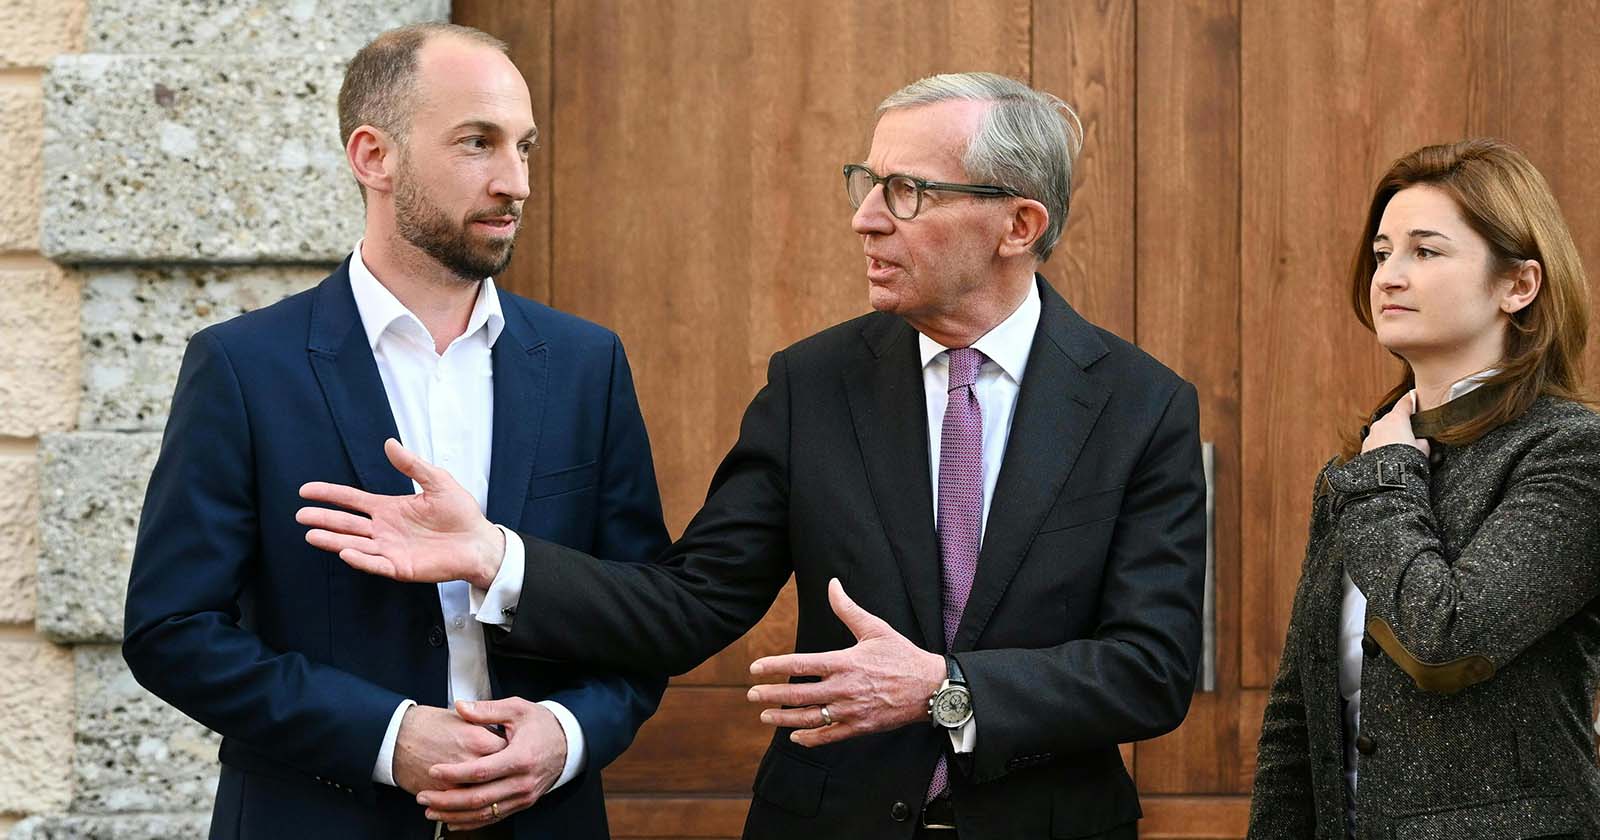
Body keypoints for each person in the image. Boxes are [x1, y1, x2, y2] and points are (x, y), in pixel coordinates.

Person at [300, 72, 1207, 839]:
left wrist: (943, 688)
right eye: (864, 180)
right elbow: (693, 604)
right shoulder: (814, 384)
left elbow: (1150, 669)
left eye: (906, 191)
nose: (864, 218)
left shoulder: (1139, 405)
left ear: (1018, 225)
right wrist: (496, 555)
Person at [122, 23, 669, 839]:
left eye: (525, 147)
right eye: (477, 143)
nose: (515, 181)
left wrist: (564, 735)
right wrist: (387, 737)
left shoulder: (588, 364)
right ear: (373, 156)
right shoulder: (242, 366)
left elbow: (644, 611)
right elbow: (173, 631)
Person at [1247, 139, 1600, 840]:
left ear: (1519, 285)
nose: (1389, 277)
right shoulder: (1363, 469)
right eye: (1382, 254)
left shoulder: (1571, 452)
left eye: (1425, 252)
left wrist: (1385, 477)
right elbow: (1299, 711)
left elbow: (1445, 640)